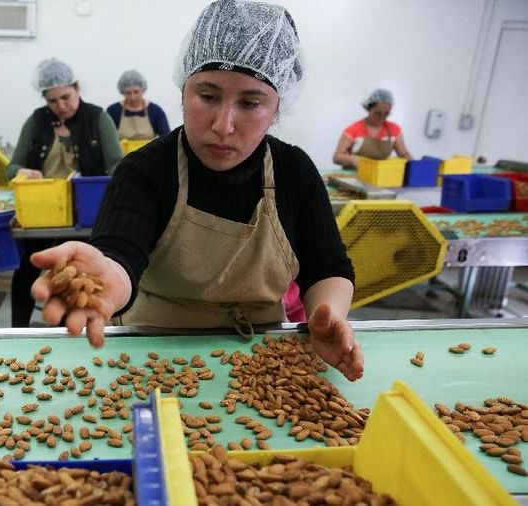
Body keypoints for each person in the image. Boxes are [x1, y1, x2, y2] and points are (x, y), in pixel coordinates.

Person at [29, 0, 363, 382]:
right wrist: (104, 278)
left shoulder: (295, 173)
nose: (223, 125)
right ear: (183, 89)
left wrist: (330, 315)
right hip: (151, 356)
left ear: (278, 108)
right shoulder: (144, 171)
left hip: (264, 363)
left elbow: (328, 269)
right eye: (207, 96)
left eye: (251, 103)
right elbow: (121, 254)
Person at [7, 58, 123, 327]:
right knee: (28, 268)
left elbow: (118, 166)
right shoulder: (36, 122)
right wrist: (23, 171)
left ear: (77, 87)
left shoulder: (98, 118)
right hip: (43, 213)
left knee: (77, 275)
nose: (60, 106)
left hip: (86, 214)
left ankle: (69, 330)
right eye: (52, 101)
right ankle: (18, 330)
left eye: (65, 97)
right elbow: (11, 167)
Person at [333, 89, 412, 170]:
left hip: (379, 177)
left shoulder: (394, 130)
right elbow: (337, 157)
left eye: (386, 113)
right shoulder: (354, 129)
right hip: (353, 176)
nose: (382, 117)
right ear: (369, 109)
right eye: (378, 113)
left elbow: (403, 155)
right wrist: (352, 159)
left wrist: (415, 168)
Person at [106, 70, 171, 140]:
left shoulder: (155, 111)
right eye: (128, 93)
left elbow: (166, 138)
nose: (132, 97)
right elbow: (107, 138)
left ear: (143, 90)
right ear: (122, 92)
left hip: (149, 151)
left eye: (136, 92)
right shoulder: (113, 111)